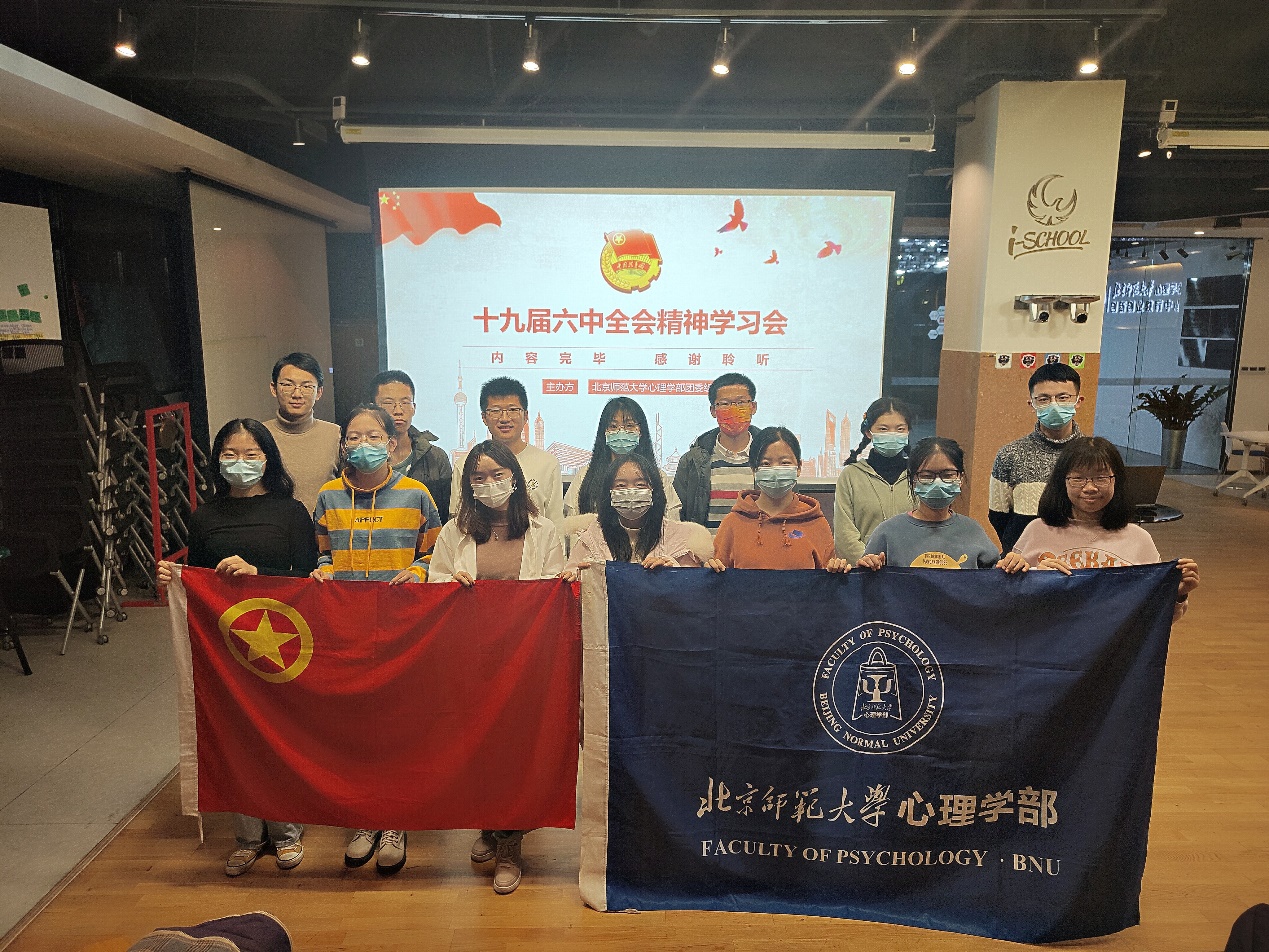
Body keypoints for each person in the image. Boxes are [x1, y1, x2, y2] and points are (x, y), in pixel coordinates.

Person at [156, 419, 318, 878]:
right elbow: (199, 583)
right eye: (230, 454)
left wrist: (257, 573)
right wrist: (174, 580)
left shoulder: (291, 512)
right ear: (217, 459)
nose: (240, 463)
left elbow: (306, 578)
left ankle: (286, 831)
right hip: (226, 647)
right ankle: (247, 836)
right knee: (236, 737)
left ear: (268, 459)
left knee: (279, 735)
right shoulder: (203, 517)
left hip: (281, 645)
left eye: (251, 454)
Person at [427, 439, 575, 896]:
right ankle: (490, 825)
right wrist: (450, 583)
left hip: (525, 659)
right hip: (472, 659)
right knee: (481, 746)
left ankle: (510, 844)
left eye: (498, 474)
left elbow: (551, 590)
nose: (489, 484)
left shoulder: (542, 530)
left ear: (515, 478)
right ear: (467, 485)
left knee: (516, 748)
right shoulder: (454, 531)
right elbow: (434, 583)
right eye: (479, 477)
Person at [311, 404, 442, 876]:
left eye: (372, 437)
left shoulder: (417, 494)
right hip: (347, 628)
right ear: (343, 444)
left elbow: (433, 553)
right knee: (356, 727)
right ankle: (365, 817)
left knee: (397, 726)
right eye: (353, 437)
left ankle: (395, 822)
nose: (362, 445)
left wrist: (418, 572)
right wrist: (324, 570)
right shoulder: (328, 496)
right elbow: (323, 551)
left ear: (391, 444)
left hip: (401, 628)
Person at [998, 436, 1200, 620]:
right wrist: (1029, 577)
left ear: (1116, 481)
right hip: (1052, 643)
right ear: (1063, 482)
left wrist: (1178, 594)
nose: (1089, 488)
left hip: (1115, 647)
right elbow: (1009, 605)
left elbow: (1153, 621)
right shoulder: (1037, 531)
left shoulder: (1140, 540)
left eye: (1101, 478)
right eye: (1078, 478)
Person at [706, 427, 851, 572]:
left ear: (799, 467)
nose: (775, 470)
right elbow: (718, 577)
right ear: (754, 469)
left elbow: (828, 578)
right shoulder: (733, 523)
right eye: (766, 463)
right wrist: (709, 572)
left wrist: (838, 570)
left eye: (785, 463)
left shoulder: (815, 523)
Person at [857, 436, 999, 571]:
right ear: (913, 480)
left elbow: (996, 580)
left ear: (960, 478)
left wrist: (1008, 567)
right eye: (927, 476)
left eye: (948, 475)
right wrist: (866, 567)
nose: (937, 482)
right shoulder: (887, 533)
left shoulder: (972, 532)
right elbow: (866, 582)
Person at [989, 362, 1086, 553]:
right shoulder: (1010, 454)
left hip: (1078, 558)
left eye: (1063, 398)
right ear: (1031, 404)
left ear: (1078, 401)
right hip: (1023, 560)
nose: (1054, 405)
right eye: (1043, 399)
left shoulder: (1093, 456)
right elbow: (998, 516)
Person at [449, 377, 563, 525]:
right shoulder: (465, 464)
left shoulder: (547, 463)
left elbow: (555, 523)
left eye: (513, 410)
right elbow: (458, 521)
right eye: (495, 411)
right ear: (484, 417)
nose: (504, 418)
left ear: (526, 416)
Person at [570, 452, 711, 569]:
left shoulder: (681, 539)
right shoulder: (592, 538)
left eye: (640, 484)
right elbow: (571, 576)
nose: (631, 491)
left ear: (654, 491)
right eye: (621, 485)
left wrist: (671, 570)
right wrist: (578, 576)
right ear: (609, 492)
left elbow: (691, 586)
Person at [674, 373, 762, 535]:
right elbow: (678, 515)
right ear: (713, 411)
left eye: (741, 402)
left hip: (757, 548)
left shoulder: (768, 457)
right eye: (725, 404)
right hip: (706, 549)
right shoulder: (693, 461)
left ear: (753, 407)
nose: (733, 409)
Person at [834, 397, 915, 563]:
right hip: (866, 571)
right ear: (869, 432)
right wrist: (867, 560)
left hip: (911, 570)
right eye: (883, 429)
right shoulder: (851, 476)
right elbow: (844, 534)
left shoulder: (919, 475)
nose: (892, 434)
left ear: (908, 431)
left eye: (900, 429)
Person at [370, 369, 453, 522]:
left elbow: (445, 514)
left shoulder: (435, 457)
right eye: (388, 403)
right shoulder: (362, 456)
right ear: (373, 409)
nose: (398, 411)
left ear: (414, 407)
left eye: (405, 403)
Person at [263, 352, 341, 514]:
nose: (297, 394)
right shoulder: (259, 435)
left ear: (319, 392)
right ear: (273, 388)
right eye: (288, 385)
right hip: (273, 527)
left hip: (324, 527)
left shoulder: (335, 435)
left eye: (307, 387)